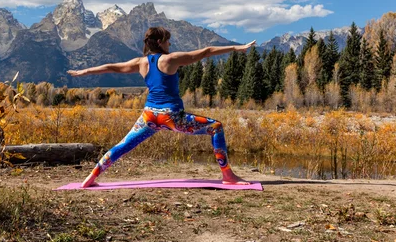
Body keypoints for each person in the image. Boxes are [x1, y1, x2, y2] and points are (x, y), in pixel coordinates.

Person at [67, 27, 256, 188]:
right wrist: (236, 48)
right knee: (216, 127)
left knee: (123, 146)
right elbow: (206, 51)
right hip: (171, 117)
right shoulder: (170, 59)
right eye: (168, 41)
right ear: (160, 41)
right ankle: (228, 176)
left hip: (149, 117)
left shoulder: (140, 62)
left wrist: (84, 72)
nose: (170, 45)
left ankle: (90, 178)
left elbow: (112, 67)